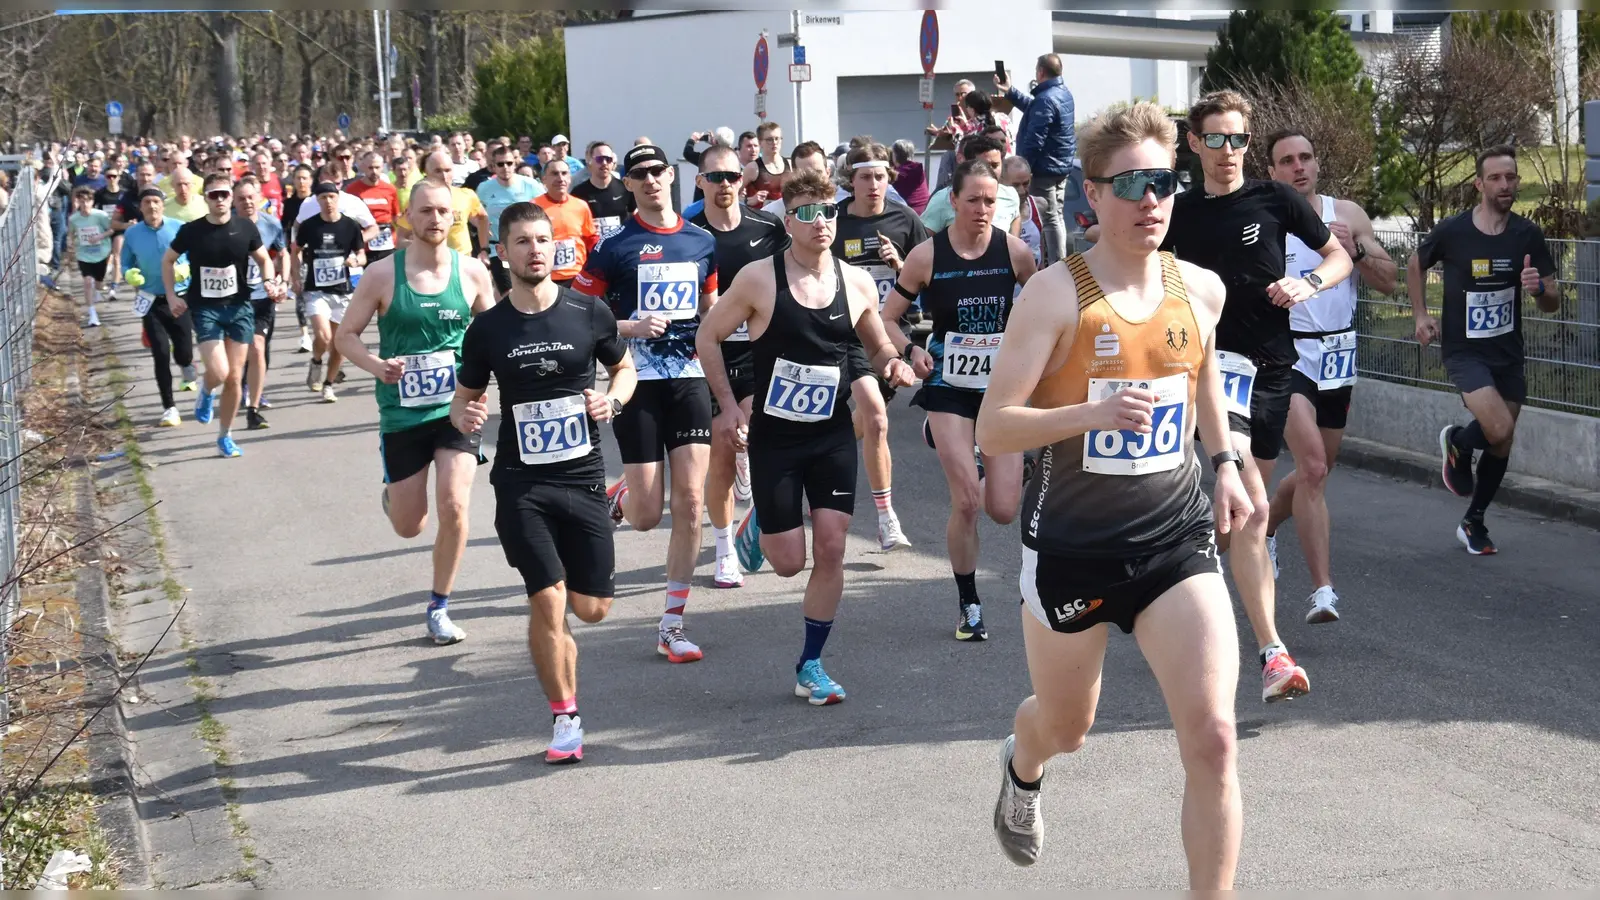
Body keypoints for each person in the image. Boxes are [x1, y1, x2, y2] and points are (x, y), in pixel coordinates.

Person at [975, 102, 1251, 888]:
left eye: (1162, 180)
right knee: (1066, 728)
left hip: (1175, 540)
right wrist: (1090, 414)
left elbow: (1199, 380)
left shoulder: (1198, 289)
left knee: (1215, 739)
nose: (1149, 200)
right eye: (1128, 183)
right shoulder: (1056, 296)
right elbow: (994, 429)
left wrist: (1225, 460)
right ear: (1090, 196)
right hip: (1073, 550)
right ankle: (1021, 765)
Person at [1159, 90, 1351, 702]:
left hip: (1274, 370)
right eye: (1215, 139)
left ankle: (1168, 587)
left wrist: (1308, 283)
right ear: (1194, 144)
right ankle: (1272, 652)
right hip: (1211, 371)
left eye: (1238, 139)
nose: (1228, 151)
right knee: (1252, 506)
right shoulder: (1178, 213)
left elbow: (1338, 256)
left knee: (1238, 513)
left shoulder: (1276, 199)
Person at [698, 169, 915, 704]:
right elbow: (709, 334)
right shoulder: (758, 279)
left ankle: (811, 664)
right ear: (788, 220)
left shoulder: (856, 281)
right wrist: (728, 407)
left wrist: (894, 365)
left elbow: (878, 341)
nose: (821, 223)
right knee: (790, 562)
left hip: (832, 436)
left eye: (828, 212)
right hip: (775, 438)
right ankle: (757, 530)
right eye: (808, 213)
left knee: (834, 548)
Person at [452, 202, 637, 764]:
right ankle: (565, 717)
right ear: (502, 252)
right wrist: (465, 418)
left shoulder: (588, 311)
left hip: (583, 478)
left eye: (543, 240)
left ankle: (616, 498)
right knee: (548, 599)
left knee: (592, 609)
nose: (536, 250)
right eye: (523, 242)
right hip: (521, 482)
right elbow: (465, 398)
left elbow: (623, 368)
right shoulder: (488, 329)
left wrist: (614, 399)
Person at [335, 180, 498, 645]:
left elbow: (496, 333)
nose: (434, 219)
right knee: (411, 525)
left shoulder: (471, 273)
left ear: (455, 218)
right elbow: (345, 335)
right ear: (408, 216)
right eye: (425, 211)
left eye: (443, 211)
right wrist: (376, 365)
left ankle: (439, 605)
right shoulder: (382, 275)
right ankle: (394, 496)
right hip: (402, 416)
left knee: (455, 504)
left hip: (456, 412)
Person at [882, 158, 1036, 641]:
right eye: (973, 200)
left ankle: (985, 457)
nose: (983, 209)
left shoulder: (1015, 253)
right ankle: (969, 604)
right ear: (953, 202)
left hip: (1002, 391)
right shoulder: (926, 257)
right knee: (967, 500)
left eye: (991, 201)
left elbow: (1046, 312)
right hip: (948, 388)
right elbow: (888, 318)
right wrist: (909, 350)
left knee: (1003, 509)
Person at [574, 144, 718, 664]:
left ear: (671, 177)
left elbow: (710, 304)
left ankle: (672, 624)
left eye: (659, 171)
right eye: (640, 174)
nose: (652, 179)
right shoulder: (616, 246)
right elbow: (578, 311)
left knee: (690, 502)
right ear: (628, 185)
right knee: (644, 515)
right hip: (636, 383)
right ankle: (621, 501)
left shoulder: (700, 241)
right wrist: (629, 327)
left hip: (688, 380)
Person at [1264, 130, 1398, 618]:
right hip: (1289, 355)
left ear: (1317, 164)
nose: (1298, 167)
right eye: (1287, 161)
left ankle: (1266, 527)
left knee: (1312, 473)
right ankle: (1323, 590)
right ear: (1274, 172)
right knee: (1314, 467)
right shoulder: (1266, 222)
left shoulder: (1347, 215)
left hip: (1339, 352)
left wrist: (1357, 251)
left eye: (1305, 158)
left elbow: (1388, 282)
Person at [1412, 145, 1559, 556]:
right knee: (1498, 429)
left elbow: (1553, 299)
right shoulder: (1454, 231)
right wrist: (1421, 314)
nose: (1505, 185)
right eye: (1495, 178)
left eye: (1511, 177)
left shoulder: (1527, 234)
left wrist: (1540, 289)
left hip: (1508, 353)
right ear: (1479, 184)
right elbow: (1415, 262)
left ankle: (1473, 520)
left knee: (1502, 443)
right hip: (1464, 352)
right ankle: (1458, 440)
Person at [690, 145, 789, 588]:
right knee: (723, 455)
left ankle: (754, 519)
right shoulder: (687, 234)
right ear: (700, 182)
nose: (725, 185)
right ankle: (725, 547)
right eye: (715, 178)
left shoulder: (767, 227)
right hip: (707, 355)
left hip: (757, 352)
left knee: (763, 439)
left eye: (732, 177)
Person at [830, 142, 928, 551]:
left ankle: (886, 519)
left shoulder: (904, 219)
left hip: (886, 338)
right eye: (866, 177)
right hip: (838, 335)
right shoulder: (833, 223)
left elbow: (928, 279)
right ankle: (885, 517)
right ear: (850, 181)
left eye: (881, 177)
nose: (874, 185)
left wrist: (901, 265)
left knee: (872, 420)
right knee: (871, 419)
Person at [164, 172, 284, 458]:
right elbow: (168, 260)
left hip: (240, 307)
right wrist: (171, 296)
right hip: (205, 309)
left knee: (233, 378)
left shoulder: (244, 228)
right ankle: (206, 391)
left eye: (224, 194)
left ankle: (225, 435)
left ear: (231, 198)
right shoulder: (191, 230)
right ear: (204, 198)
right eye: (213, 194)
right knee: (219, 372)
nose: (219, 199)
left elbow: (264, 258)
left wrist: (269, 281)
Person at [292, 182, 368, 403]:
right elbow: (295, 249)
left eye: (331, 197)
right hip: (316, 290)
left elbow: (361, 254)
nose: (328, 201)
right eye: (323, 197)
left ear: (338, 199)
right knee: (323, 336)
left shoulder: (350, 226)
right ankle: (316, 360)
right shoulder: (309, 226)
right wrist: (295, 276)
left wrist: (355, 260)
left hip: (343, 291)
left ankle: (328, 384)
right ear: (317, 200)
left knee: (339, 343)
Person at [998, 54, 1077, 266]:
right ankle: (1057, 263)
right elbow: (1035, 109)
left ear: (1040, 72)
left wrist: (1024, 169)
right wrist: (1011, 92)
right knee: (1054, 216)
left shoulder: (1047, 98)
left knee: (1049, 219)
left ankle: (1057, 264)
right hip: (1058, 166)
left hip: (1045, 169)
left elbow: (1035, 140)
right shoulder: (1060, 93)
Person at [121, 188, 191, 426]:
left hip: (180, 298)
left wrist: (186, 269)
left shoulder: (179, 227)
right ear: (140, 208)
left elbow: (193, 255)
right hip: (150, 300)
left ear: (163, 205)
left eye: (156, 202)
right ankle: (169, 407)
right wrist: (129, 274)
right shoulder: (132, 234)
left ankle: (186, 364)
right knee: (160, 353)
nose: (152, 207)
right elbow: (125, 263)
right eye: (147, 203)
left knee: (184, 352)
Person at [235, 177, 286, 427]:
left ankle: (253, 400)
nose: (247, 202)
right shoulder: (226, 227)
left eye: (250, 197)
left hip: (262, 297)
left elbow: (283, 254)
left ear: (259, 198)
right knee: (241, 352)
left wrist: (283, 281)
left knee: (259, 347)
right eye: (241, 198)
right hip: (232, 300)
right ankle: (241, 386)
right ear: (234, 202)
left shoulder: (271, 224)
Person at [476, 143, 544, 296]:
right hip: (498, 249)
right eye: (500, 164)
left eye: (509, 163)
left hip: (526, 246)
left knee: (530, 291)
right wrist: (483, 248)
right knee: (509, 293)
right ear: (493, 166)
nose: (505, 167)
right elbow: (477, 216)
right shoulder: (484, 188)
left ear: (515, 163)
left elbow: (545, 209)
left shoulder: (530, 185)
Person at [919, 134, 1022, 236]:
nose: (989, 171)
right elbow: (923, 240)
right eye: (972, 200)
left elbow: (1014, 242)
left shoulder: (1011, 196)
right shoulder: (942, 199)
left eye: (995, 165)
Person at [531, 159, 598, 287]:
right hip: (547, 277)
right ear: (544, 179)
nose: (560, 178)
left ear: (570, 178)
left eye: (564, 173)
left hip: (577, 275)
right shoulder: (534, 207)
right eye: (555, 174)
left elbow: (591, 238)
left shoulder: (581, 205)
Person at [345, 150, 401, 265]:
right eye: (370, 168)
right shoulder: (352, 189)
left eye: (377, 167)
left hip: (388, 242)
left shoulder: (390, 189)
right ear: (363, 168)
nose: (374, 171)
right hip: (364, 243)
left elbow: (396, 216)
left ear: (382, 167)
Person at [68, 187, 112, 328]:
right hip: (83, 254)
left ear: (92, 202)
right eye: (82, 202)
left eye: (87, 201)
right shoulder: (74, 219)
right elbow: (70, 234)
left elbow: (111, 230)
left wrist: (99, 236)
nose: (85, 205)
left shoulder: (101, 216)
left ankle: (98, 290)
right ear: (78, 202)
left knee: (99, 281)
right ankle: (92, 314)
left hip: (101, 253)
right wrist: (71, 247)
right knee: (87, 281)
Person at [571, 141, 633, 242]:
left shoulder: (625, 188)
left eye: (608, 159)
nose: (604, 163)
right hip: (592, 250)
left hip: (620, 248)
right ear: (590, 162)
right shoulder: (578, 193)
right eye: (599, 159)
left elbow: (635, 214)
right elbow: (572, 225)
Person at [741, 121, 790, 207]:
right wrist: (748, 201)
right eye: (769, 140)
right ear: (760, 143)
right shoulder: (753, 168)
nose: (774, 142)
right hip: (762, 218)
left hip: (786, 217)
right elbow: (733, 193)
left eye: (777, 138)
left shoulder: (790, 164)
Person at [890, 139, 930, 214]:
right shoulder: (918, 168)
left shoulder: (898, 175)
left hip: (908, 215)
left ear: (895, 155)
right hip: (926, 211)